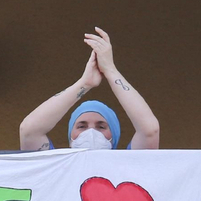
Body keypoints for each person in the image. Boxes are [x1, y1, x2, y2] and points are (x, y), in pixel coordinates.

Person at [18, 28, 160, 151]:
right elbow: (29, 130)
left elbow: (149, 130)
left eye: (101, 127)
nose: (91, 132)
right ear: (70, 136)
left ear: (114, 135)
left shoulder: (129, 163)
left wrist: (110, 71)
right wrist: (85, 83)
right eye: (81, 126)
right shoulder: (55, 166)